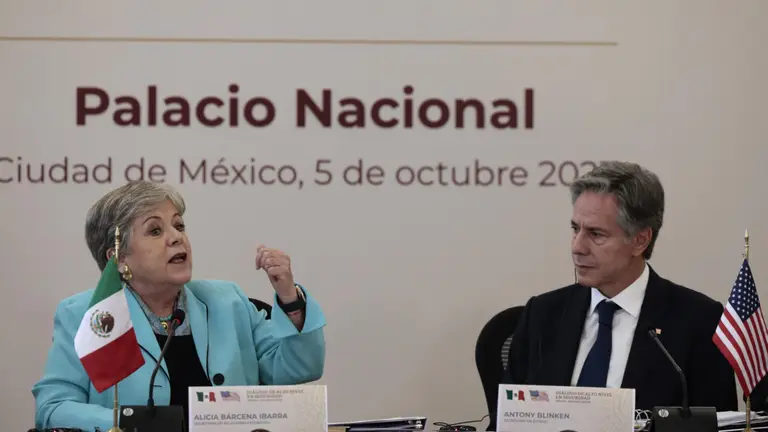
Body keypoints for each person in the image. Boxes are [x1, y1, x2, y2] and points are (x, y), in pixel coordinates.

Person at [32, 181, 326, 431]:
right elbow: (53, 408)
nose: (176, 237)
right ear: (119, 258)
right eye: (155, 231)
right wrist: (132, 424)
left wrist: (289, 297)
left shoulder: (228, 301)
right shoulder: (90, 315)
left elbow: (299, 369)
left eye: (179, 225)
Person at [492, 161, 739, 429]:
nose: (577, 247)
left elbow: (717, 425)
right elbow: (505, 423)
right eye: (575, 229)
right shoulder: (542, 314)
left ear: (640, 240)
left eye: (596, 234)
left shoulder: (699, 321)